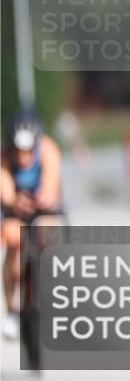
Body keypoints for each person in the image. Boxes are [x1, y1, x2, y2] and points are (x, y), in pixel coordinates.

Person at [1, 110, 64, 340]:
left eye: (27, 152)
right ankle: (11, 311)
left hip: (43, 205)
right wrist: (14, 201)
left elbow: (51, 182)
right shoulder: (4, 155)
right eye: (18, 151)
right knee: (11, 240)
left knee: (48, 236)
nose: (23, 157)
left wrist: (44, 197)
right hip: (15, 208)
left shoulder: (48, 149)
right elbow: (4, 187)